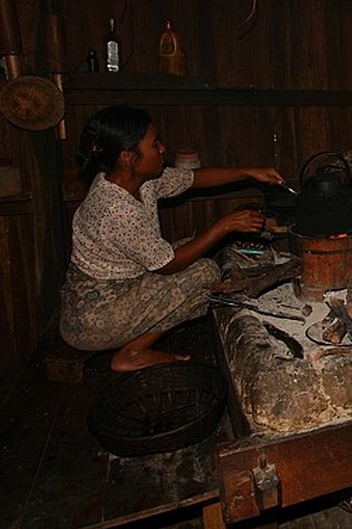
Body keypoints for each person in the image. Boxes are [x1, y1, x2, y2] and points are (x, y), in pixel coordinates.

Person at [60, 106, 284, 371]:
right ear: (128, 157)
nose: (163, 149)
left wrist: (249, 172)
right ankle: (132, 353)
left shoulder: (135, 180)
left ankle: (135, 346)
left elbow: (193, 179)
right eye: (155, 145)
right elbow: (169, 265)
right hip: (95, 317)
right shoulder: (116, 208)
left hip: (115, 288)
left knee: (191, 249)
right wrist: (224, 225)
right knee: (204, 273)